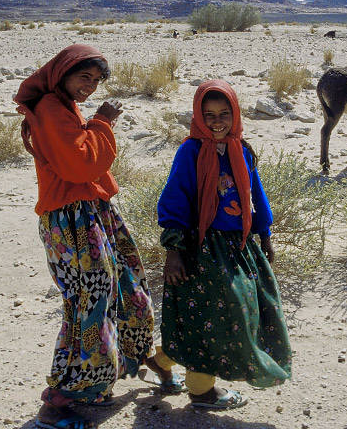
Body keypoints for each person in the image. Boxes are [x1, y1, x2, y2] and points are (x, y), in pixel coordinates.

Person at [15, 45, 169, 429]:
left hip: (90, 212)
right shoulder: (51, 107)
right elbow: (80, 164)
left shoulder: (62, 105)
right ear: (64, 72)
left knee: (128, 283)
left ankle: (134, 357)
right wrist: (102, 122)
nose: (90, 87)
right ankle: (59, 401)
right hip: (72, 222)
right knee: (89, 304)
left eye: (97, 81)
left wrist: (93, 122)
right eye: (85, 77)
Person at [149, 79, 292, 410]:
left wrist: (265, 234)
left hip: (238, 248)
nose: (217, 121)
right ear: (198, 116)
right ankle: (201, 391)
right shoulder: (190, 152)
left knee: (240, 310)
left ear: (235, 114)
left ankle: (162, 360)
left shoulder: (241, 150)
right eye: (209, 114)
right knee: (211, 315)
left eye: (224, 113)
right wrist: (173, 251)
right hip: (200, 248)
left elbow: (255, 195)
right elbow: (175, 200)